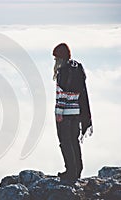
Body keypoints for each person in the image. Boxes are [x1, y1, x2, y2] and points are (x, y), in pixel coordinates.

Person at [52, 43, 93, 182]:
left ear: (60, 58)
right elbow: (79, 91)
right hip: (77, 112)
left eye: (56, 58)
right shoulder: (76, 68)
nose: (55, 61)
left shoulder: (63, 71)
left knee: (65, 142)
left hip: (65, 113)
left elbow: (62, 94)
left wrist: (59, 112)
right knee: (74, 141)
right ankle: (77, 170)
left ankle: (70, 171)